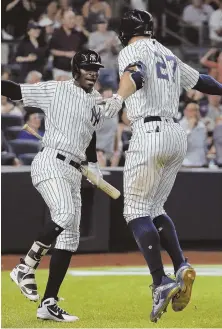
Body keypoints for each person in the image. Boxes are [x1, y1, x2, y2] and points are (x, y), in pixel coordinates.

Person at [103, 9, 222, 322]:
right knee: (155, 207)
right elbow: (203, 81)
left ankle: (160, 281)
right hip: (176, 132)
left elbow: (135, 74)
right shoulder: (166, 51)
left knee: (135, 210)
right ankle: (181, 263)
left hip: (149, 131)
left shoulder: (131, 50)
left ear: (126, 31)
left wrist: (117, 97)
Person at [1, 49, 105, 322]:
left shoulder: (95, 99)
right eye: (87, 68)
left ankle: (48, 303)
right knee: (64, 215)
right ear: (76, 69)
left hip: (74, 169)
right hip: (51, 162)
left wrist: (92, 164)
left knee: (70, 237)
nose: (93, 72)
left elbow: (89, 134)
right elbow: (14, 89)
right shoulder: (56, 90)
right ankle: (25, 266)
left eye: (96, 68)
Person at [49, 10, 85, 80]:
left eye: (73, 18)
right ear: (63, 20)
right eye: (70, 18)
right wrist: (66, 54)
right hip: (60, 70)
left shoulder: (78, 34)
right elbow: (52, 50)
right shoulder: (56, 33)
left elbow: (82, 50)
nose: (72, 21)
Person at [88, 18, 121, 90]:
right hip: (98, 68)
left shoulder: (112, 34)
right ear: (97, 25)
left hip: (110, 67)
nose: (102, 25)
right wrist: (104, 45)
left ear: (107, 24)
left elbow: (116, 53)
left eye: (104, 23)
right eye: (100, 24)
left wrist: (113, 46)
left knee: (112, 90)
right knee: (97, 90)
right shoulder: (93, 36)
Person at [180, 103, 208, 167]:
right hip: (186, 163)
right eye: (191, 110)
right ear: (185, 111)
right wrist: (189, 129)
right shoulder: (180, 125)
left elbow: (204, 145)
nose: (194, 113)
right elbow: (181, 145)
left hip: (201, 163)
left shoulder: (202, 126)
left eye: (196, 110)